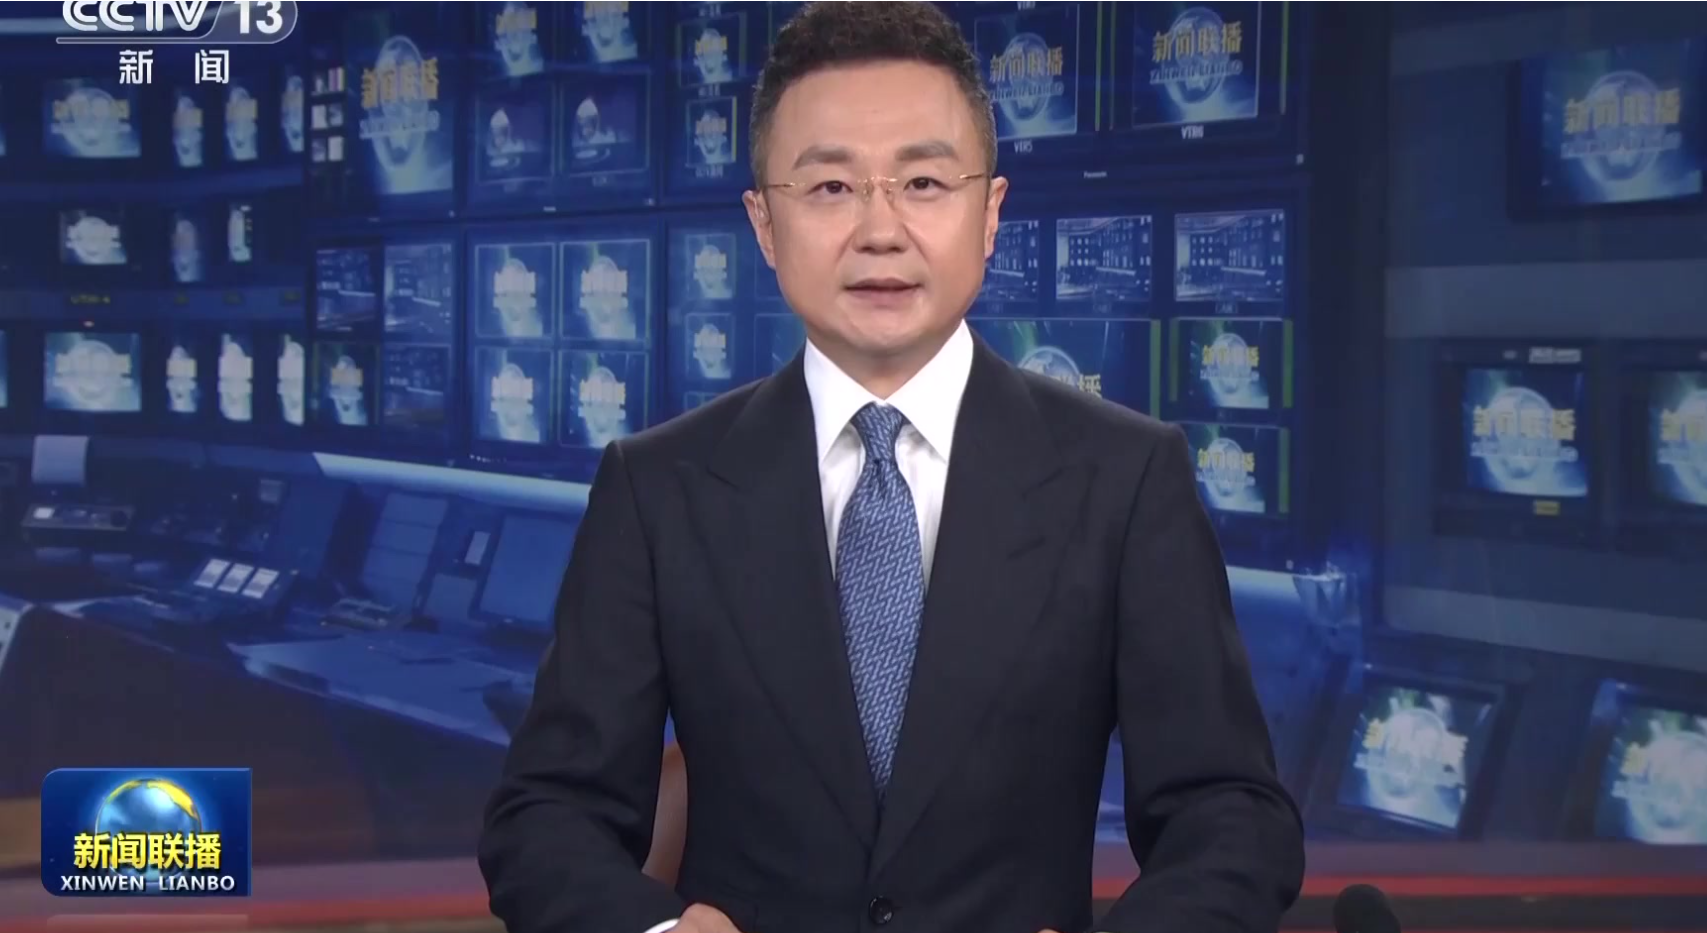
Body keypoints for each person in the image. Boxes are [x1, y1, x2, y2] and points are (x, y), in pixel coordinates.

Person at [477, 3, 1306, 933]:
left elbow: (1230, 812)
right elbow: (546, 813)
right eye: (830, 187)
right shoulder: (656, 486)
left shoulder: (1124, 477)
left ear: (989, 213)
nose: (880, 231)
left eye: (922, 182)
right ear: (763, 224)